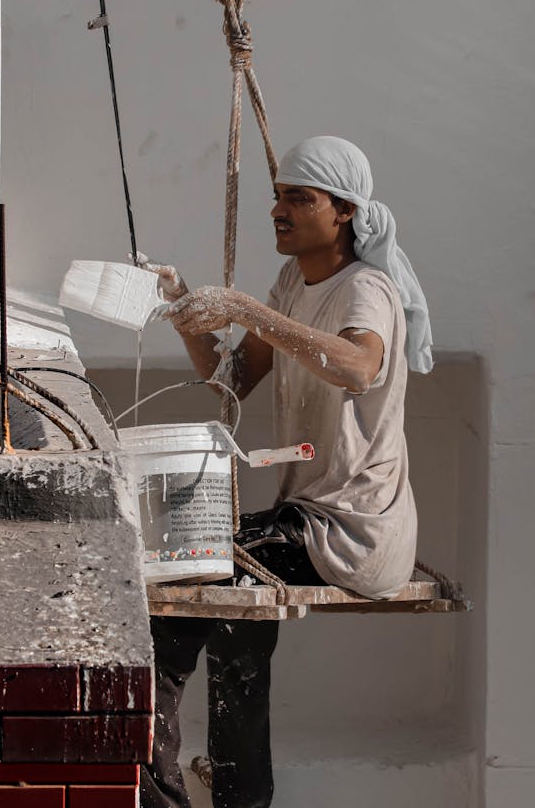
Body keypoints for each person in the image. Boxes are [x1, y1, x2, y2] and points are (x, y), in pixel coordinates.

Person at [140, 135, 432, 808]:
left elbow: (358, 366)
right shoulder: (293, 283)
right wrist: (186, 310)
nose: (279, 209)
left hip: (352, 527)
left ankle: (159, 791)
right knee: (229, 623)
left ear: (345, 213)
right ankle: (239, 800)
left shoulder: (368, 289)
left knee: (196, 578)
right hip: (304, 519)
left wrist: (249, 310)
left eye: (298, 198)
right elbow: (235, 377)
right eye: (277, 196)